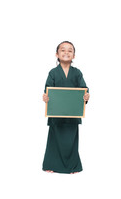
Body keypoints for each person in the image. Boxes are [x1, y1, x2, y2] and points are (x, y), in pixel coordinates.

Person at [42, 41, 90, 174]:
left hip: (72, 115)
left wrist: (86, 96)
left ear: (74, 55)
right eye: (63, 50)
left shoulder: (77, 73)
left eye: (70, 50)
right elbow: (47, 90)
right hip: (56, 115)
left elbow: (83, 89)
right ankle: (51, 164)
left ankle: (72, 166)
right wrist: (45, 97)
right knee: (54, 140)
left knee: (71, 141)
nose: (66, 52)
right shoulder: (53, 73)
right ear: (57, 54)